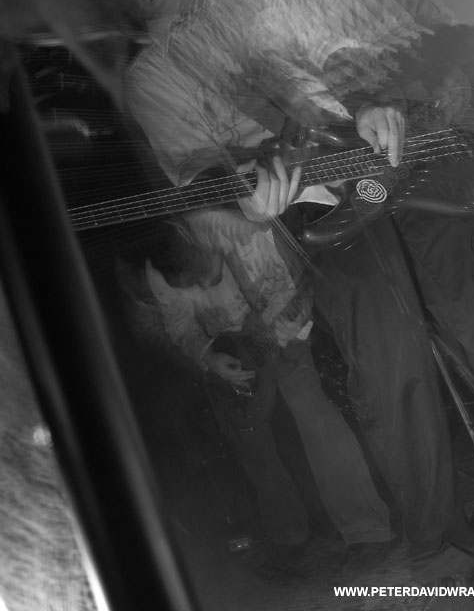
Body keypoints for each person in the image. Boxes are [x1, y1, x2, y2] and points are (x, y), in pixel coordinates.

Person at [121, 0, 474, 606]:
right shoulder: (155, 75)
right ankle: (441, 566)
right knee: (391, 373)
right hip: (327, 209)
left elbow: (379, 50)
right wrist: (241, 199)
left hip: (404, 166)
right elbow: (195, 175)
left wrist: (384, 100)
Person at [134, 209, 394, 569]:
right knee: (251, 445)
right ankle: (289, 539)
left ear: (204, 242)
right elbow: (180, 325)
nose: (202, 287)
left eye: (202, 275)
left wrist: (282, 332)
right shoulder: (159, 267)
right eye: (190, 285)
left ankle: (367, 529)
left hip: (279, 325)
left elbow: (299, 288)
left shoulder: (246, 230)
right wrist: (209, 357)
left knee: (313, 415)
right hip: (226, 349)